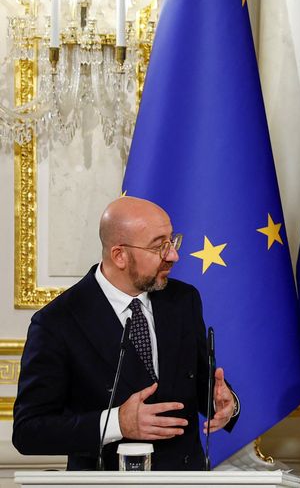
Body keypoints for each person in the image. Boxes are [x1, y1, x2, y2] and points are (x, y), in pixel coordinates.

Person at [13, 196, 240, 470]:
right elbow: (29, 432)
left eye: (173, 241)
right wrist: (117, 423)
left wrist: (226, 403)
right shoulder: (57, 322)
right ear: (119, 255)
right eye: (160, 246)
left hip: (185, 479)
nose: (173, 255)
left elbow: (200, 382)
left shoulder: (183, 300)